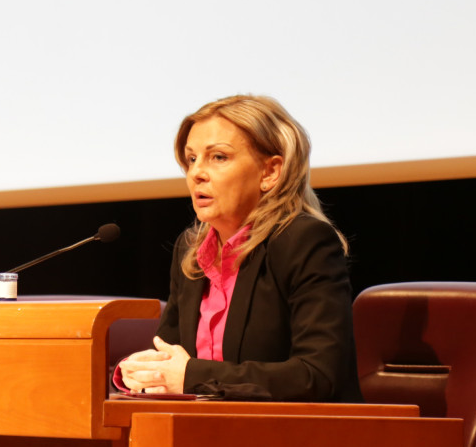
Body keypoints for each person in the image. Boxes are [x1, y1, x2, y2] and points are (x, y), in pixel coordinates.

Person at [118, 94, 363, 402]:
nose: (196, 173)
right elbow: (170, 357)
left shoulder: (303, 241)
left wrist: (191, 377)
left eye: (218, 157)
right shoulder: (191, 251)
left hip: (295, 438)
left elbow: (317, 375)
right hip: (205, 433)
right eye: (191, 159)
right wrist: (144, 372)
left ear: (270, 172)